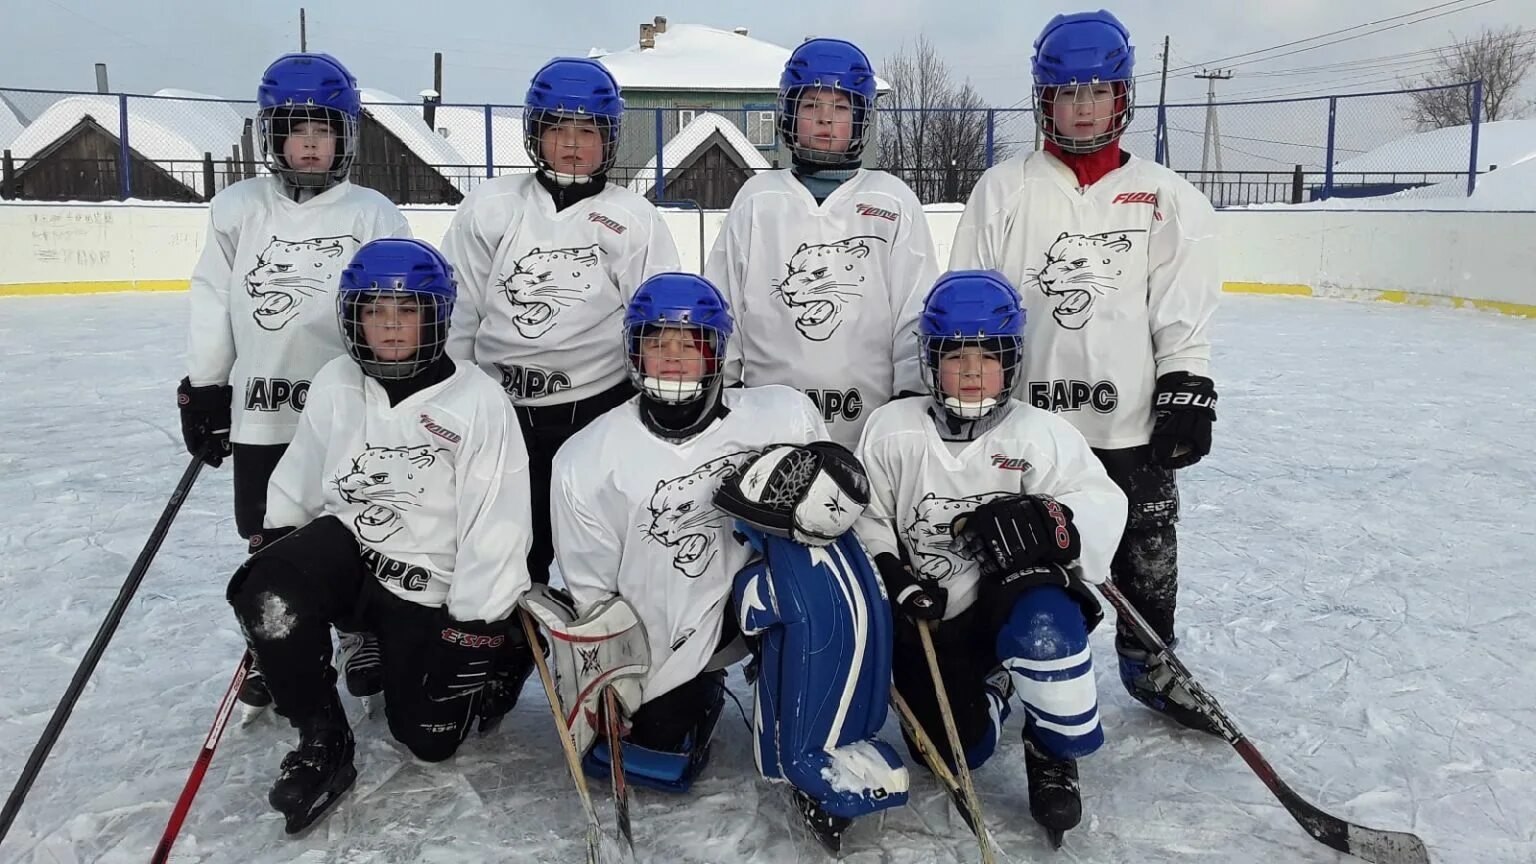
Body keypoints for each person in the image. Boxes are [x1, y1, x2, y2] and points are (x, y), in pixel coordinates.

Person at [539, 273, 906, 847]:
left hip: (769, 597)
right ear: (634, 352)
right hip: (674, 629)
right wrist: (606, 679)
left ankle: (821, 739)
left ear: (717, 351)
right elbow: (593, 593)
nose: (674, 358)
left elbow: (831, 522)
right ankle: (702, 686)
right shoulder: (584, 459)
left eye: (691, 343)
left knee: (815, 582)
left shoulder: (782, 414)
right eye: (658, 343)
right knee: (659, 745)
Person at [949, 10, 1222, 735]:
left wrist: (1187, 381)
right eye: (1066, 93)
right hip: (1025, 426)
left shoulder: (1167, 195)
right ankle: (1000, 663)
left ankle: (1151, 656)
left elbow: (1180, 305)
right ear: (1043, 98)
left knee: (1147, 545)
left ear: (1121, 96)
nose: (1081, 107)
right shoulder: (1003, 190)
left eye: (1096, 91)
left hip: (1128, 421)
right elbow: (970, 302)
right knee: (1006, 555)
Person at [226, 238, 534, 835]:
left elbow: (496, 525)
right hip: (352, 554)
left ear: (437, 315)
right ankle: (323, 740)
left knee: (427, 742)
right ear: (353, 317)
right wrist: (276, 600)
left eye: (407, 311)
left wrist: (473, 629)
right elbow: (300, 478)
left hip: (428, 584)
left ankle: (511, 644)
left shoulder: (478, 401)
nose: (389, 326)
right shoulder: (338, 381)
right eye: (374, 311)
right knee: (267, 588)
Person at [854, 270, 1128, 844]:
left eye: (990, 354)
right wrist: (894, 574)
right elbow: (869, 520)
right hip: (931, 616)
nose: (973, 371)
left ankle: (1051, 748)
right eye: (956, 356)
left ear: (1013, 360)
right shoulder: (891, 431)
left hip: (1008, 603)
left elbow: (1102, 505)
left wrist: (1051, 524)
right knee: (955, 757)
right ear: (930, 360)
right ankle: (999, 689)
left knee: (1047, 620)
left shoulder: (1041, 435)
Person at [178, 52, 411, 712]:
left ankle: (358, 628)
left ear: (345, 137)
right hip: (261, 409)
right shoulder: (237, 209)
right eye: (295, 131)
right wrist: (206, 385)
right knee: (267, 528)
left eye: (323, 131)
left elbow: (401, 312)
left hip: (348, 408)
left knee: (356, 518)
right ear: (271, 136)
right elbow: (212, 298)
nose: (309, 145)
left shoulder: (372, 213)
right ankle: (275, 635)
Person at [441, 57, 680, 588]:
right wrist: (449, 394)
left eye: (588, 130)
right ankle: (502, 649)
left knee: (601, 545)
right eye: (558, 129)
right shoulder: (492, 207)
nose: (573, 144)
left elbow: (656, 325)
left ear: (610, 138)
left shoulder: (633, 219)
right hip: (501, 411)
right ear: (535, 134)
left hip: (597, 409)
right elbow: (458, 310)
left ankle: (602, 649)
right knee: (505, 544)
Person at [704, 37, 938, 449]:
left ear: (862, 117)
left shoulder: (891, 199)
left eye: (841, 107)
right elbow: (725, 308)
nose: (825, 120)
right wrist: (721, 402)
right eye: (811, 106)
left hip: (867, 432)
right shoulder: (759, 198)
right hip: (767, 430)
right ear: (789, 115)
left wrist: (908, 404)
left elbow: (912, 314)